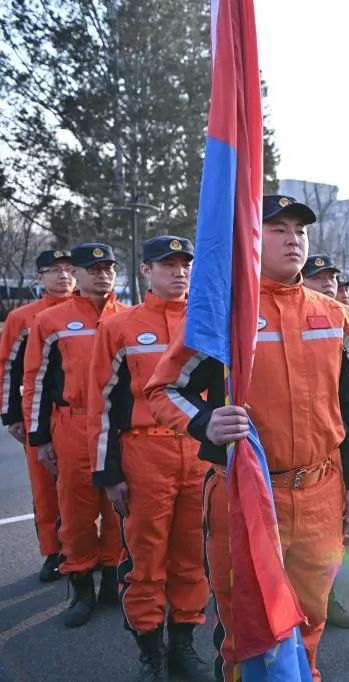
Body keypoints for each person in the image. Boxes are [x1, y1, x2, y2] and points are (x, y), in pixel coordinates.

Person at [145, 195, 349, 681]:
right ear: (250, 237)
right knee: (248, 625)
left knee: (311, 615)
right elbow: (163, 388)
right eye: (278, 229)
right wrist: (205, 421)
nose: (293, 239)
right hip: (247, 495)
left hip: (320, 493)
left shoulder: (336, 316)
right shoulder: (224, 314)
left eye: (300, 230)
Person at [87, 236, 210, 678]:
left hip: (197, 453)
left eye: (184, 264)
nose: (178, 272)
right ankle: (150, 652)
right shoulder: (119, 328)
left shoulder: (207, 322)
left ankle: (183, 645)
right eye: (166, 264)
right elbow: (100, 403)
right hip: (143, 452)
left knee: (192, 556)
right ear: (145, 271)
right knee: (146, 558)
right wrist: (109, 471)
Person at [22, 243, 130, 626]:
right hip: (72, 424)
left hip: (117, 429)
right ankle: (81, 588)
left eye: (108, 267)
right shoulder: (52, 321)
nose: (102, 274)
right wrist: (39, 438)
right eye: (93, 268)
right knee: (76, 514)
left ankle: (112, 584)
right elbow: (34, 380)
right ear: (78, 275)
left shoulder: (129, 318)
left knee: (119, 511)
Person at [0, 249, 76, 582]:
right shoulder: (23, 318)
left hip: (88, 419)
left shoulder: (100, 310)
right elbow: (7, 368)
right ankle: (53, 551)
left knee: (94, 490)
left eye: (69, 269)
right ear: (38, 278)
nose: (64, 276)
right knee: (46, 489)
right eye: (54, 270)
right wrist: (12, 416)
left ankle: (102, 555)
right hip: (39, 415)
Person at [300, 254, 349, 630]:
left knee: (329, 535)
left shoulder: (342, 322)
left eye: (331, 277)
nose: (328, 283)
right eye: (318, 277)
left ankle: (327, 597)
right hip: (291, 454)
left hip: (331, 446)